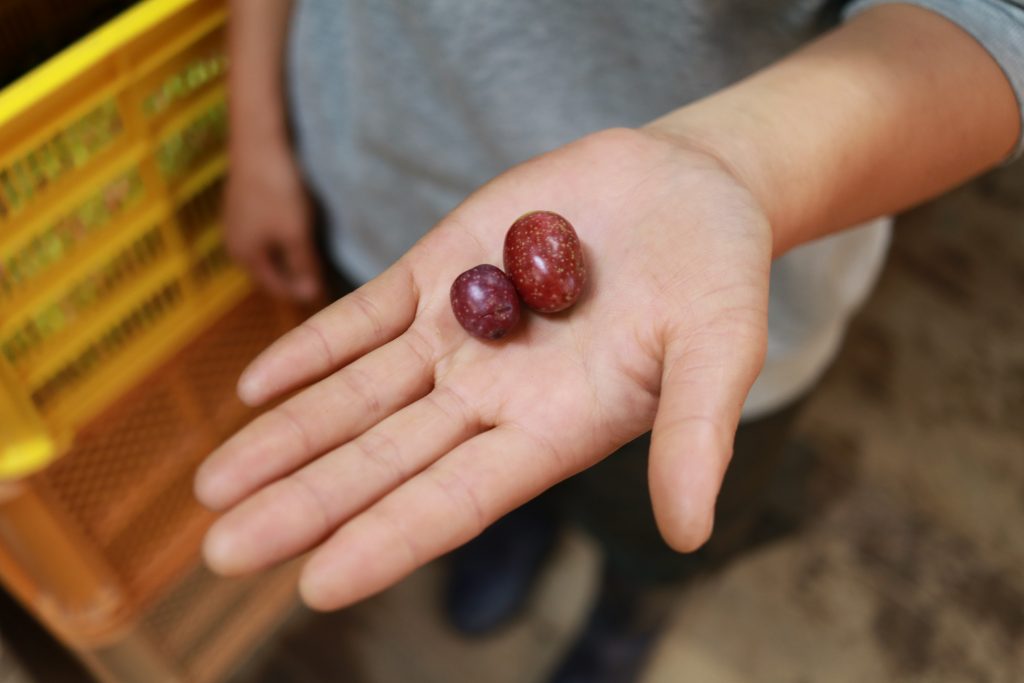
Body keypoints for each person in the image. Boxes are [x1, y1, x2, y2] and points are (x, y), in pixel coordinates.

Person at [195, 1, 1024, 680]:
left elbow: (996, 19)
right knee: (482, 459)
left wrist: (733, 165)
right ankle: (519, 529)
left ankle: (629, 617)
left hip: (701, 275)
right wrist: (259, 128)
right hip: (381, 184)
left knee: (658, 517)